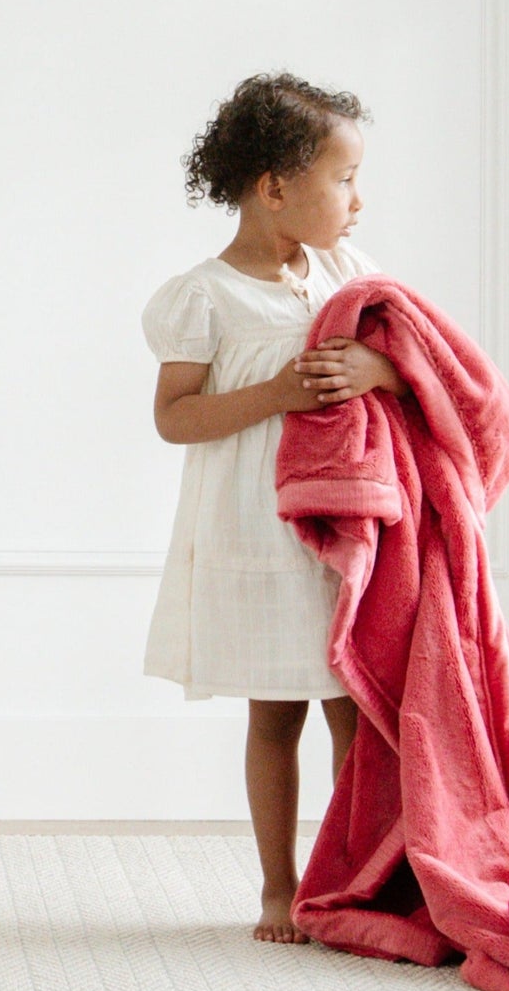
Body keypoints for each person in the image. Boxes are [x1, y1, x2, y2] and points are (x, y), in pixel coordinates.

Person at [141, 73, 407, 942]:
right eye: (343, 180)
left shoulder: (345, 271)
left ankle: (355, 876)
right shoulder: (207, 296)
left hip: (340, 527)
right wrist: (277, 393)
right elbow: (175, 417)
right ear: (275, 189)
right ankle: (278, 888)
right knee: (276, 713)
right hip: (257, 531)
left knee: (356, 713)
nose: (357, 200)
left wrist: (376, 372)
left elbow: (411, 362)